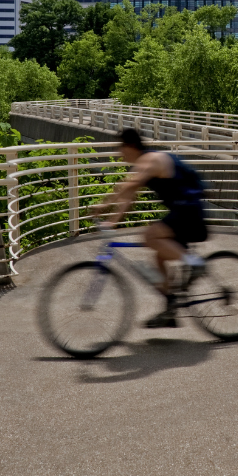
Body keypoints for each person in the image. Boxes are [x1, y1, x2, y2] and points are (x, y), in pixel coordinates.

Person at [92, 128, 208, 328]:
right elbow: (128, 199)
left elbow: (128, 185)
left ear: (132, 146)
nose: (119, 153)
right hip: (182, 211)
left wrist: (103, 205)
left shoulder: (152, 160)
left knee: (150, 236)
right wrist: (111, 222)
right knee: (159, 257)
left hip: (189, 210)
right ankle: (170, 308)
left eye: (121, 147)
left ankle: (195, 262)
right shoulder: (141, 165)